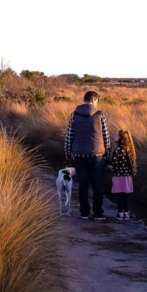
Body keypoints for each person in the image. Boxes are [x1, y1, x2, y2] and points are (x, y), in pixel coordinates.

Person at [64, 91, 110, 220]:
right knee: (97, 185)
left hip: (79, 154)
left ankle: (84, 212)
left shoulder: (74, 115)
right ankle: (98, 213)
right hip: (98, 154)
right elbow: (106, 136)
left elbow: (69, 136)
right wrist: (108, 152)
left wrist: (68, 152)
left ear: (84, 100)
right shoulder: (100, 115)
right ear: (94, 100)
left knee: (83, 185)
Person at [109, 129, 137, 220]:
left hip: (118, 175)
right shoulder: (129, 149)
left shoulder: (118, 149)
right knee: (125, 195)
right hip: (127, 176)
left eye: (116, 135)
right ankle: (126, 212)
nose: (114, 136)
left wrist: (110, 167)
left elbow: (115, 163)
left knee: (119, 195)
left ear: (121, 138)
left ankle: (120, 212)